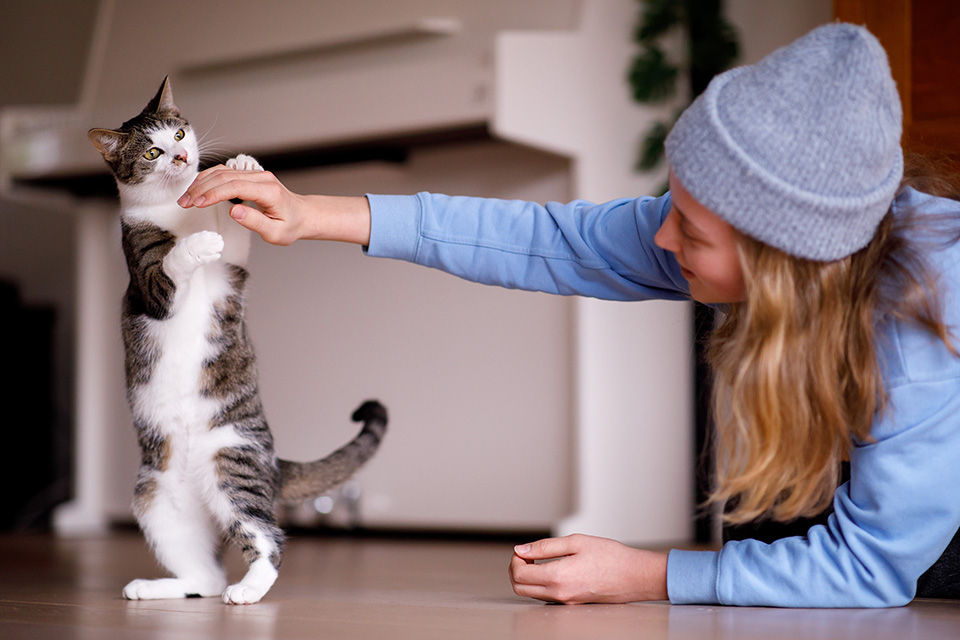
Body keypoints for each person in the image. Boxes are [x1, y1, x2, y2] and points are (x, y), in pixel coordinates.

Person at [177, 23, 960, 607]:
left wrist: (648, 574)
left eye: (691, 232)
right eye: (672, 207)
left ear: (781, 261)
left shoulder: (923, 326)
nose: (662, 240)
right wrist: (313, 214)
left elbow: (871, 568)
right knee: (767, 520)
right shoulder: (777, 242)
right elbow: (548, 240)